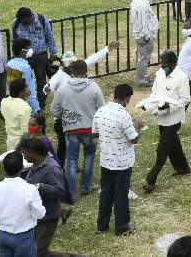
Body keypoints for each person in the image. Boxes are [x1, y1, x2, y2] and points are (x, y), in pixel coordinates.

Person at [50, 59, 104, 202]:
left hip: (71, 129)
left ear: (71, 71)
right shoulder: (94, 87)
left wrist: (66, 116)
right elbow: (101, 109)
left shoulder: (63, 89)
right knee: (89, 155)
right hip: (89, 129)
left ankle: (70, 193)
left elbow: (54, 109)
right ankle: (86, 187)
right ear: (86, 72)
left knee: (71, 159)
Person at [93, 84, 142, 237]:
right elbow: (134, 139)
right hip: (122, 162)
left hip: (106, 160)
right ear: (126, 98)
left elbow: (94, 134)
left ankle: (102, 226)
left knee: (106, 193)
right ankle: (122, 227)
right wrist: (137, 127)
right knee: (121, 194)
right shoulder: (123, 115)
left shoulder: (100, 111)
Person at [143, 51, 191, 194]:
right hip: (161, 116)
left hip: (173, 118)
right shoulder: (159, 73)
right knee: (172, 143)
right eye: (161, 64)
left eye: (165, 64)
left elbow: (185, 99)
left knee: (162, 149)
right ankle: (182, 167)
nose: (163, 66)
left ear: (173, 64)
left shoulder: (182, 77)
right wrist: (150, 103)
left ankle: (151, 179)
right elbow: (154, 91)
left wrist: (170, 106)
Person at [0, 151, 45, 255]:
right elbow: (40, 214)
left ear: (3, 168)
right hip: (24, 237)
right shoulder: (30, 190)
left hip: (2, 235)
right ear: (22, 168)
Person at [20, 137, 72, 257]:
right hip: (36, 217)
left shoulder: (51, 168)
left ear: (33, 152)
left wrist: (39, 186)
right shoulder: (35, 165)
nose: (23, 156)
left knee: (39, 253)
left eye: (24, 153)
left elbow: (60, 190)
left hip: (47, 217)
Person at [12, 7, 57, 110]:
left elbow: (49, 36)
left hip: (40, 55)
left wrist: (53, 52)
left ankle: (41, 105)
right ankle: (22, 103)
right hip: (24, 57)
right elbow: (15, 40)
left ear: (29, 16)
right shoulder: (16, 23)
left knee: (41, 81)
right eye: (21, 22)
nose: (22, 23)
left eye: (24, 21)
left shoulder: (41, 20)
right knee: (23, 80)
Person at [130, 0, 158, 87]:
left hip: (140, 35)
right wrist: (146, 36)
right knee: (143, 58)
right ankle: (142, 81)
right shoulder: (142, 4)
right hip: (144, 36)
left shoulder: (137, 1)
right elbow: (142, 22)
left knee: (141, 57)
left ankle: (143, 77)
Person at [6, 39, 40, 116]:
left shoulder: (9, 64)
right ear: (23, 51)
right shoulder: (26, 67)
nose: (30, 50)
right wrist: (36, 109)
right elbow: (29, 90)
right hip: (26, 107)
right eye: (28, 48)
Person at [2, 78, 32, 152]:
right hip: (20, 144)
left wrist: (23, 100)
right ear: (23, 91)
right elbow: (25, 132)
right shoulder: (25, 107)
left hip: (10, 141)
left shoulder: (3, 101)